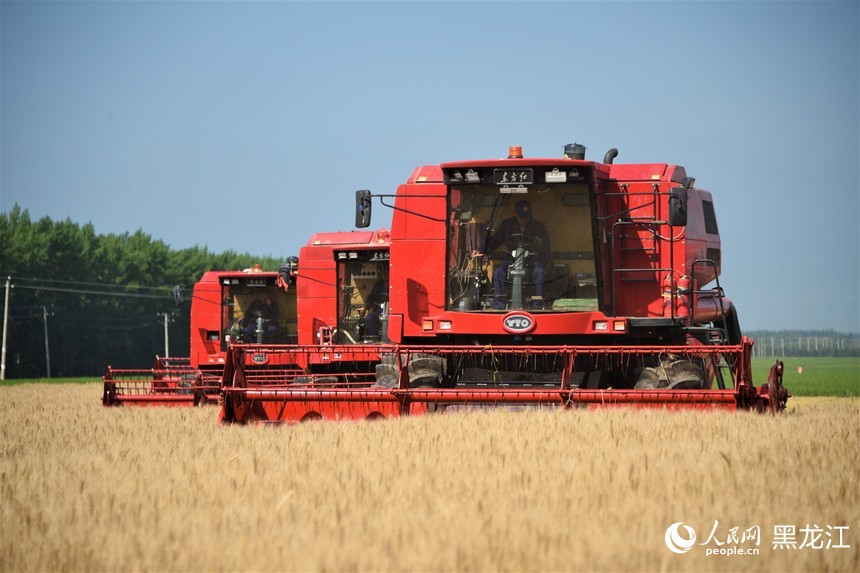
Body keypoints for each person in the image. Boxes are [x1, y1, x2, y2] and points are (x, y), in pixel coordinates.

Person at [486, 200, 549, 309]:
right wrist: (482, 250)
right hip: (511, 257)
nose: (523, 220)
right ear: (516, 214)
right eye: (521, 217)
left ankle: (537, 303)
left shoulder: (537, 226)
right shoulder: (507, 224)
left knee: (539, 272)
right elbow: (495, 241)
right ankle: (499, 303)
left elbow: (545, 244)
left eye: (526, 217)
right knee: (498, 272)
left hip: (532, 257)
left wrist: (538, 242)